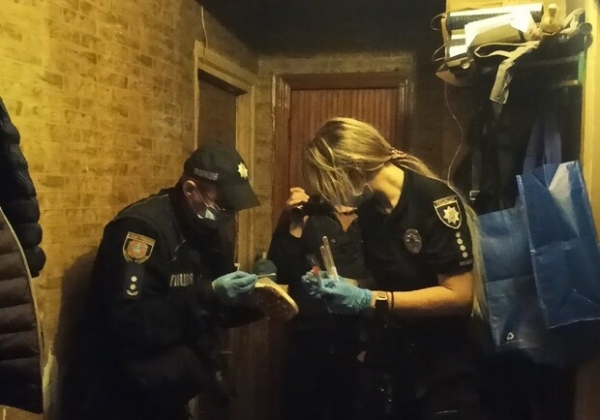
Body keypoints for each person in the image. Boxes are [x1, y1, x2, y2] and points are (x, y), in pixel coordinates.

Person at [61, 143, 279, 420]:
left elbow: (215, 310)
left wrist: (258, 298)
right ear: (190, 190)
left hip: (168, 388)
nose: (229, 214)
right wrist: (208, 294)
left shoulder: (209, 232)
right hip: (120, 394)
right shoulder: (141, 231)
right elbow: (132, 322)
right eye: (223, 204)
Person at [301, 117, 489, 420]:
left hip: (444, 370)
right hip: (398, 362)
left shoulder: (434, 200)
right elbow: (389, 281)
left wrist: (371, 299)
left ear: (353, 168)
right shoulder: (371, 213)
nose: (332, 197)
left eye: (331, 183)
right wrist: (343, 285)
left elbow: (459, 296)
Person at [268, 187, 371, 420]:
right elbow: (281, 271)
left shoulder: (375, 213)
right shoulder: (308, 210)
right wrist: (294, 222)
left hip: (364, 349)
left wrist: (356, 285)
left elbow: (392, 275)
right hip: (309, 347)